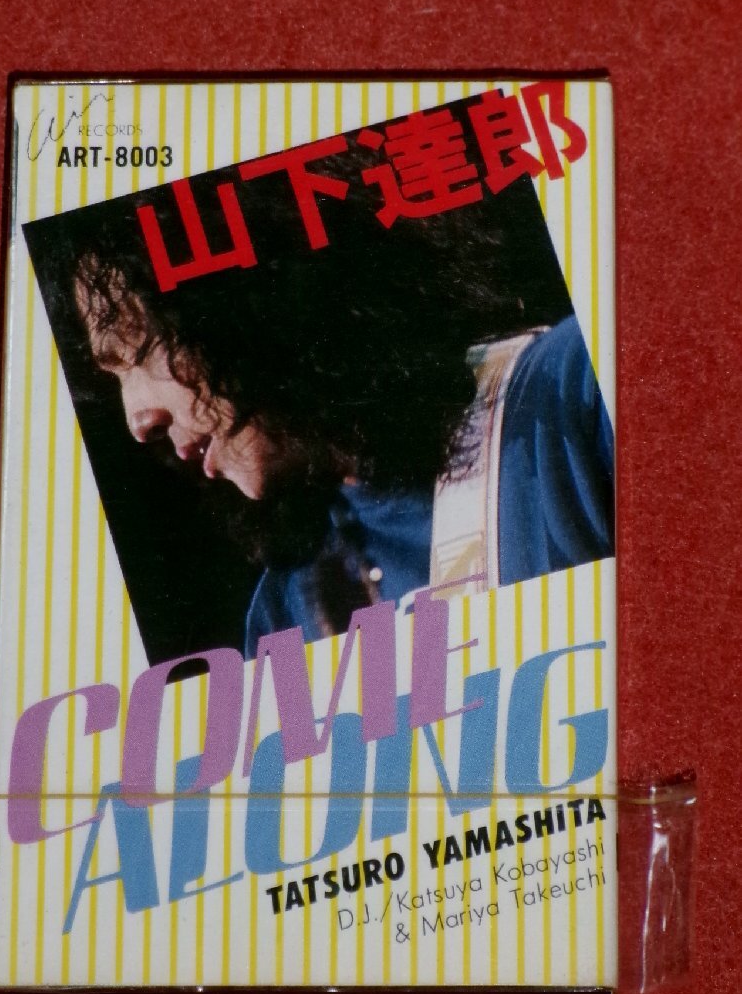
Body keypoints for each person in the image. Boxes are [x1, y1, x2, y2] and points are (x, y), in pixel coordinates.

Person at [71, 148, 614, 659]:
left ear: (244, 294)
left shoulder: (575, 396)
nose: (137, 419)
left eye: (137, 351)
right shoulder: (283, 617)